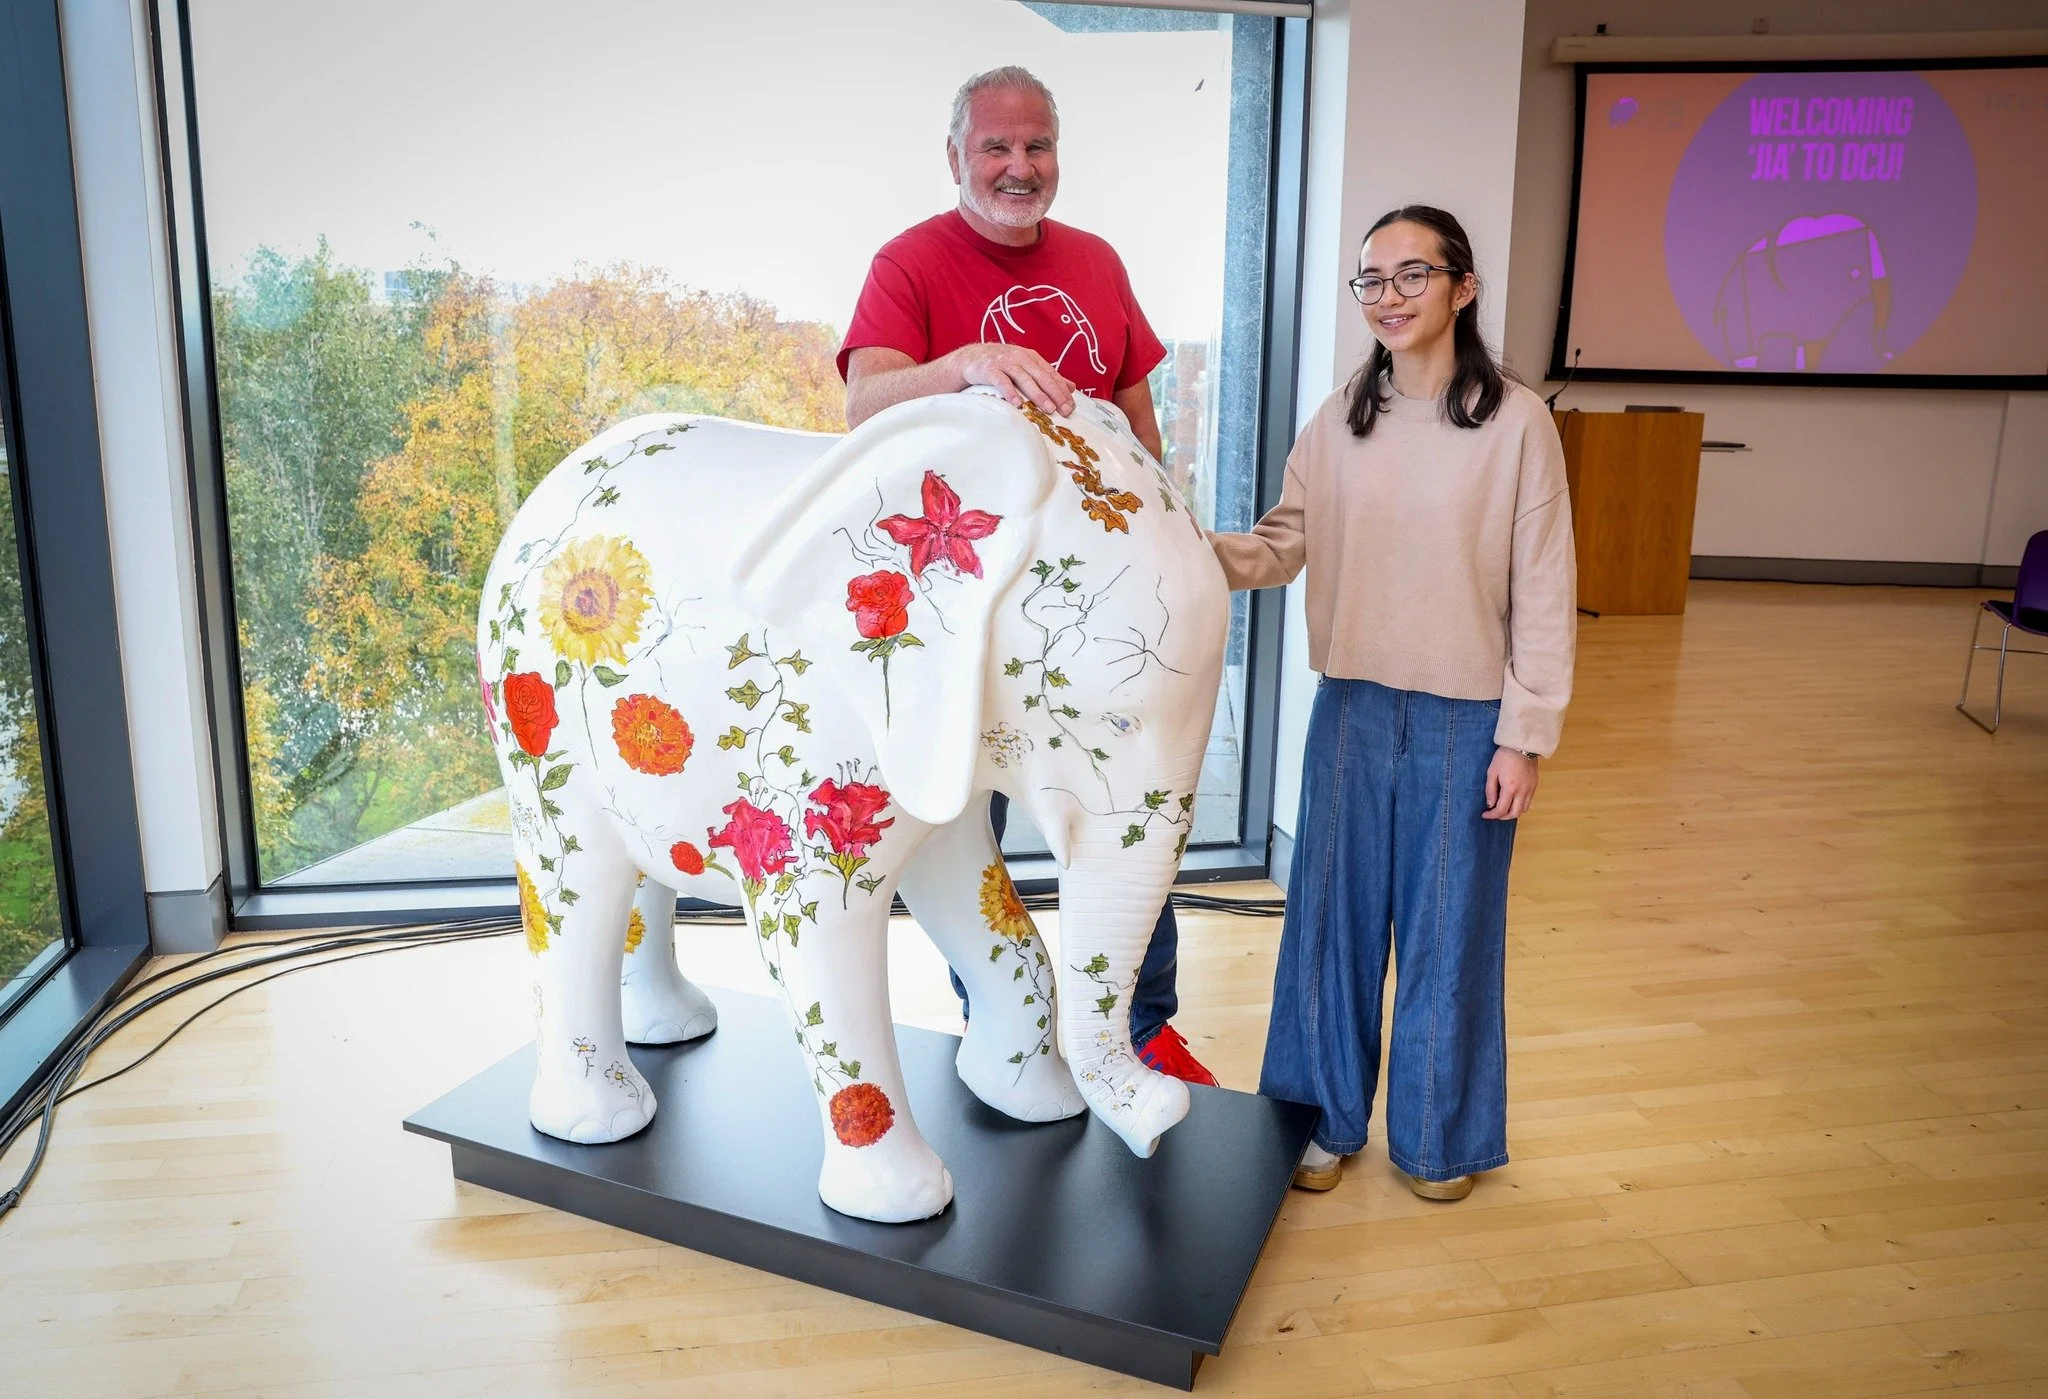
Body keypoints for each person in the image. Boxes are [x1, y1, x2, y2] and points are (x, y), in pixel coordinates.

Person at [837, 65, 1215, 1086]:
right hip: (968, 608)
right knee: (969, 827)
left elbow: (1135, 412)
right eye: (995, 147)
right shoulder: (907, 261)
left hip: (1097, 610)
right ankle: (1001, 1024)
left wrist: (1171, 525)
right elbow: (862, 401)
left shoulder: (1093, 258)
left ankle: (1143, 1030)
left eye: (1035, 146)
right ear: (955, 155)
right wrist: (960, 363)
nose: (1017, 167)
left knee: (1133, 810)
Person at [1209, 206, 1576, 1199]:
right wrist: (1183, 550)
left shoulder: (1517, 423)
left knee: (1447, 931)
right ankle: (1315, 1126)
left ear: (1462, 287)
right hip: (1350, 708)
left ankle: (1437, 1141)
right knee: (1325, 924)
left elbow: (1541, 585)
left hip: (1466, 721)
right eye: (1370, 279)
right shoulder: (1339, 419)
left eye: (1411, 275)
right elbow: (1280, 541)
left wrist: (1524, 736)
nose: (1388, 296)